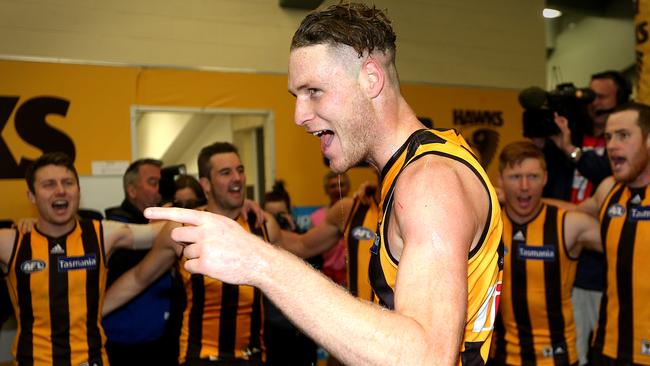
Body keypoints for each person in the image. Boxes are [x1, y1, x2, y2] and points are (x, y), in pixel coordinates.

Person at [145, 3, 503, 365]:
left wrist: (260, 262)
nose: (299, 115)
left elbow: (425, 358)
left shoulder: (429, 182)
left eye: (314, 91)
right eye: (296, 96)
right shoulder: (418, 165)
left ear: (371, 79)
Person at [103, 142, 274, 366]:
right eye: (226, 172)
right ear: (206, 184)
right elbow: (139, 278)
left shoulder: (259, 223)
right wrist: (90, 312)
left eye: (240, 170)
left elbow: (306, 246)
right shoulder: (182, 228)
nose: (237, 178)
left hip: (253, 357)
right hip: (200, 357)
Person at [0, 152, 162, 365]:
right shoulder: (11, 241)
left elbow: (162, 233)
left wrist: (198, 214)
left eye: (68, 183)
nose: (60, 190)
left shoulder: (102, 234)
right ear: (32, 196)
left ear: (78, 190)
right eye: (49, 184)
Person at [546, 70, 631, 366]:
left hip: (603, 270)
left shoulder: (624, 148)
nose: (593, 102)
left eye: (601, 96)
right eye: (589, 95)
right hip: (566, 264)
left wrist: (573, 152)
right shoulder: (572, 133)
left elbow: (609, 184)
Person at [492, 141, 602, 365]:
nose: (524, 186)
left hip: (558, 357)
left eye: (533, 176)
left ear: (545, 178)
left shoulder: (568, 224)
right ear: (500, 180)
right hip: (501, 357)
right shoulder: (489, 225)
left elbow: (623, 231)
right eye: (515, 177)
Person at [569, 102, 650, 365]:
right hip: (607, 346)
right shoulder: (609, 190)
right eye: (608, 137)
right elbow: (570, 212)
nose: (612, 145)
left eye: (624, 136)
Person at [102, 158, 177, 365]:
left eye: (160, 182)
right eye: (153, 182)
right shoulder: (114, 227)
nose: (159, 190)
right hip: (123, 344)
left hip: (161, 340)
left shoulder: (166, 220)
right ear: (132, 191)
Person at [262, 181, 319, 366]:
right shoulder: (258, 244)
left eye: (281, 214)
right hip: (271, 332)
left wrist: (293, 231)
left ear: (290, 212)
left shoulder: (302, 239)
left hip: (301, 331)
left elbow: (317, 266)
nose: (276, 221)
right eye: (271, 216)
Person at [309, 171, 350, 285]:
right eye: (333, 186)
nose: (338, 189)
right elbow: (311, 250)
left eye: (341, 185)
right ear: (326, 190)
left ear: (348, 187)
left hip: (351, 276)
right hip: (325, 278)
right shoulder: (316, 217)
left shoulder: (359, 214)